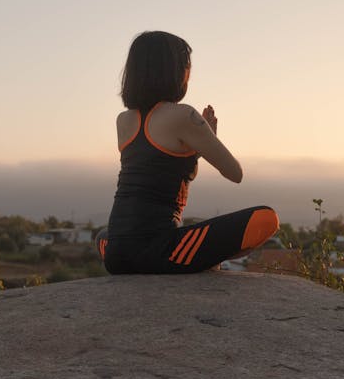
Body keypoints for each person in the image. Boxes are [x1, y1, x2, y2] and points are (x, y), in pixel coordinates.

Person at [97, 30, 279, 274]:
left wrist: (196, 147)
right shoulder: (183, 115)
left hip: (115, 254)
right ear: (176, 71)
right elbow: (234, 172)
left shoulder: (124, 120)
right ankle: (202, 261)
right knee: (267, 219)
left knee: (102, 234)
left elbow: (160, 166)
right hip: (159, 250)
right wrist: (207, 136)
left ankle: (128, 250)